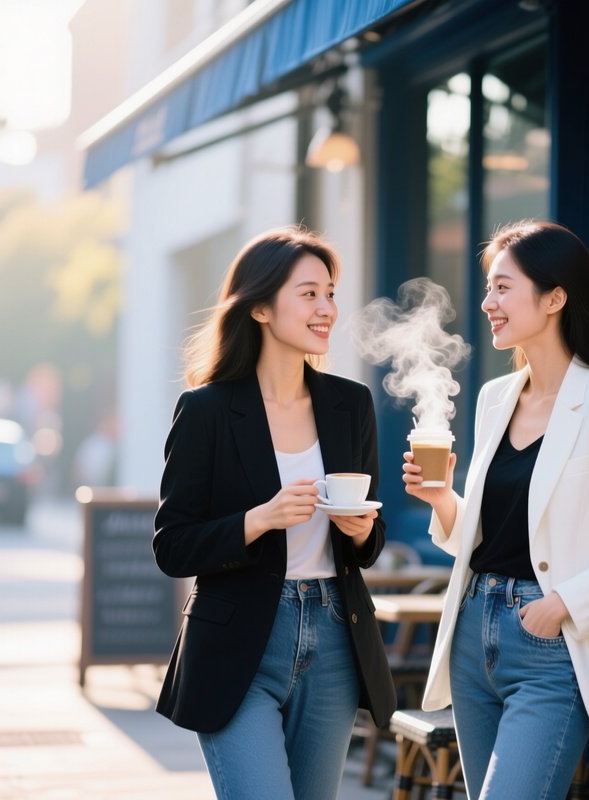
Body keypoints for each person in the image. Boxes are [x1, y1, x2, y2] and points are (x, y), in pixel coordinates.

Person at [402, 220, 589, 800]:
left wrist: (559, 606)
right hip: (473, 630)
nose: (486, 303)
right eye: (488, 289)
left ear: (554, 298)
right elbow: (486, 538)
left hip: (550, 643)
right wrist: (442, 500)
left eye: (503, 288)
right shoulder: (494, 398)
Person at [153, 226, 396, 800]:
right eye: (308, 294)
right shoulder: (207, 410)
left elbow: (371, 541)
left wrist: (362, 532)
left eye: (330, 293)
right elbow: (173, 546)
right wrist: (259, 519)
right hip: (238, 644)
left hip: (335, 636)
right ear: (260, 307)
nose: (326, 308)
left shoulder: (350, 404)